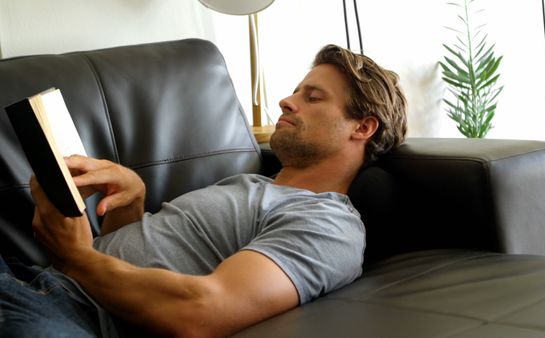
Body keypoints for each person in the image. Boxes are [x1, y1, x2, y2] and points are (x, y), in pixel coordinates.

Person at [0, 44, 407, 337]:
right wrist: (132, 200)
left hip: (65, 313)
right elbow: (147, 259)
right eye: (296, 90)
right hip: (29, 279)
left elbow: (199, 312)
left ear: (363, 127)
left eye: (312, 97)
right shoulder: (250, 184)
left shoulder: (329, 223)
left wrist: (74, 258)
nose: (285, 100)